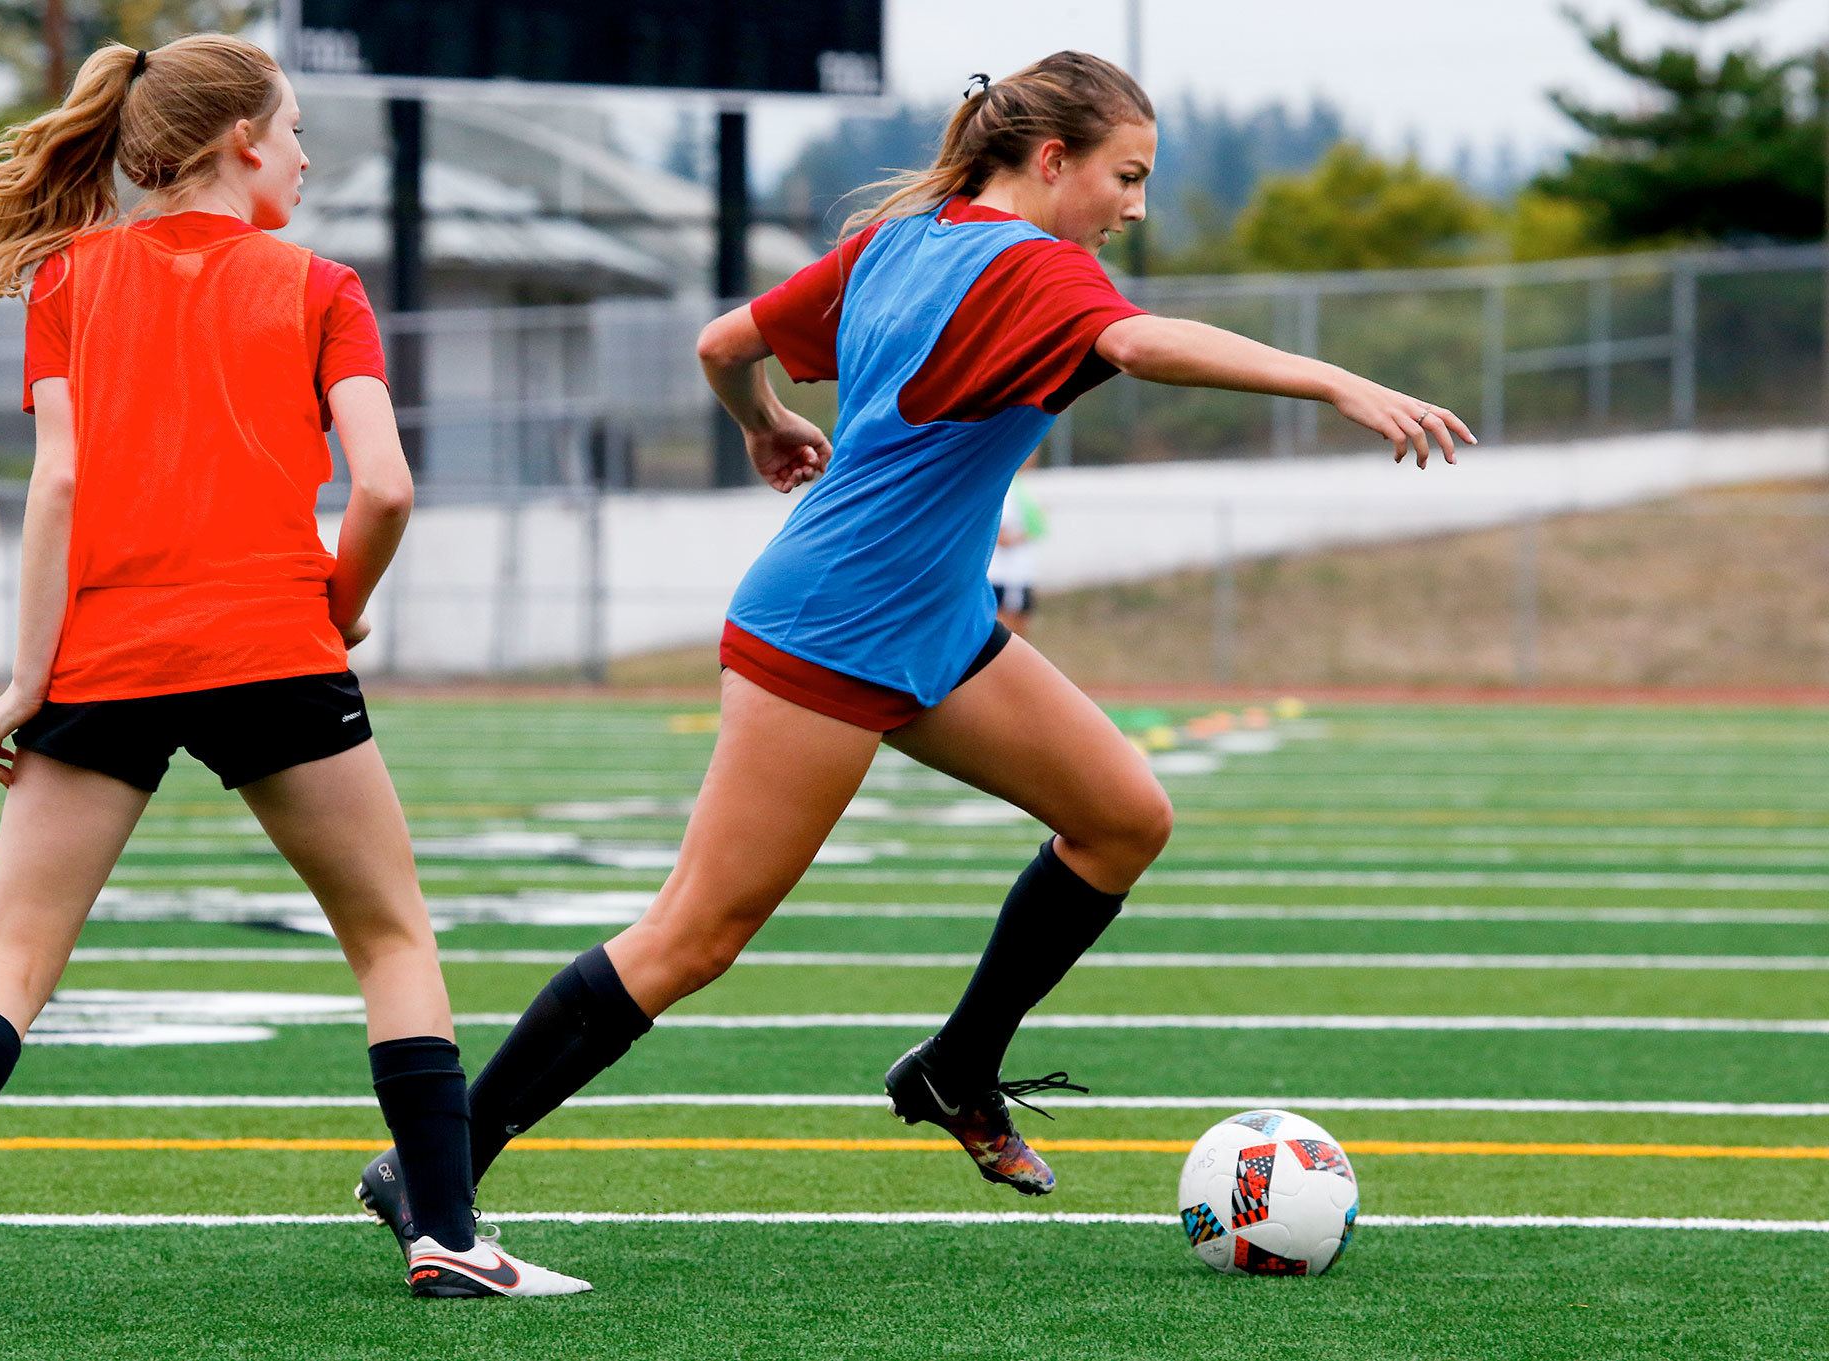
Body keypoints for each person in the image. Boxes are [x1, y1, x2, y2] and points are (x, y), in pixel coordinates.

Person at [352, 50, 1470, 1229]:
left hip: (927, 617)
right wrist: (1337, 381)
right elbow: (1141, 346)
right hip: (832, 625)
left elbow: (722, 343)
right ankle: (439, 1163)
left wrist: (767, 423)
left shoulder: (906, 238)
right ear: (1051, 160)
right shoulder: (1037, 268)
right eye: (1125, 176)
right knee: (693, 934)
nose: (1134, 206)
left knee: (1122, 817)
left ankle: (953, 1067)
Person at [0, 36, 585, 1323]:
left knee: (13, 951)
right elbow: (383, 485)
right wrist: (336, 608)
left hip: (102, 654)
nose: (309, 156)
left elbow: (57, 487)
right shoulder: (323, 284)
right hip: (274, 645)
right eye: (297, 130)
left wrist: (21, 681)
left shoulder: (67, 279)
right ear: (238, 145)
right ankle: (445, 1232)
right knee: (389, 936)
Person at [990, 453, 1045, 635]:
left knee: (1021, 630)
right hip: (1006, 575)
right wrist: (1030, 532)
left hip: (1019, 575)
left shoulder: (1022, 487)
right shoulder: (1008, 489)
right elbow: (1001, 538)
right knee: (1006, 634)